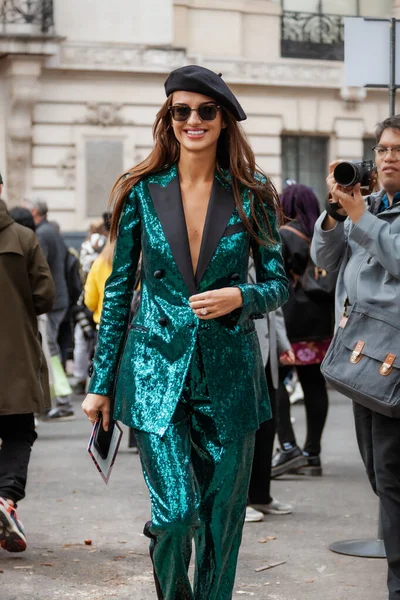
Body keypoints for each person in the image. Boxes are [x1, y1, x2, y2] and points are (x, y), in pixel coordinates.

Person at [82, 64, 288, 599]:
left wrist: (242, 296)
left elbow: (277, 284)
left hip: (230, 379)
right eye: (181, 111)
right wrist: (100, 383)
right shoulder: (140, 192)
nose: (192, 120)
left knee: (223, 525)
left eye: (205, 111)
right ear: (168, 118)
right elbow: (117, 292)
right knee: (175, 517)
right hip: (155, 374)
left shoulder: (252, 193)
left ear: (224, 120)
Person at [312, 115, 400, 600]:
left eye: (399, 150)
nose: (389, 157)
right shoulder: (372, 207)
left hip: (395, 362)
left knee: (391, 479)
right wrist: (335, 213)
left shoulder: (376, 214)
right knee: (378, 474)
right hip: (362, 358)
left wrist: (362, 217)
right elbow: (324, 261)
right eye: (383, 149)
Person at [0, 199, 55, 552]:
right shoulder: (23, 238)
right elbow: (44, 296)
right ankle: (5, 499)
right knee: (19, 432)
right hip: (13, 353)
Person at [271, 184, 334, 478]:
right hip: (322, 322)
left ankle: (288, 445)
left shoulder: (283, 235)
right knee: (314, 385)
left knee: (278, 381)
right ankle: (313, 453)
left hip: (292, 322)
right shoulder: (324, 233)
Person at [245, 259, 294, 522]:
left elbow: (277, 307)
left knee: (267, 427)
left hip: (266, 356)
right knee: (241, 433)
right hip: (239, 352)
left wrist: (282, 343)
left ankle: (261, 495)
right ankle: (237, 502)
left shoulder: (264, 250)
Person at [31, 200, 74, 420]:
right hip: (59, 297)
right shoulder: (51, 231)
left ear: (35, 211)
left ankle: (62, 401)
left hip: (52, 300)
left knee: (50, 350)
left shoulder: (42, 233)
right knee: (51, 348)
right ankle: (57, 401)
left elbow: (41, 268)